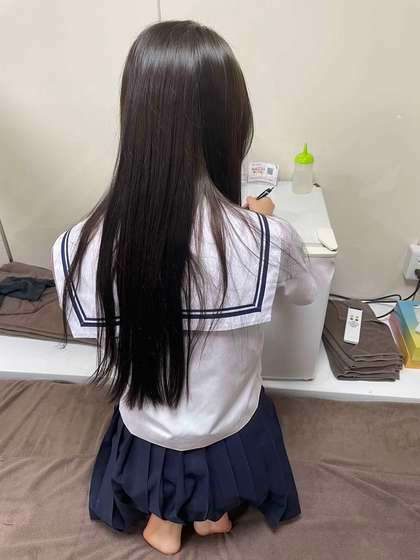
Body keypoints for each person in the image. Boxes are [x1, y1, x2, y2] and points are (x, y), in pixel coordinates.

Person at [51, 20, 317, 556]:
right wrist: (257, 225)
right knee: (237, 415)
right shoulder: (268, 239)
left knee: (163, 421)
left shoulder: (76, 248)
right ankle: (213, 511)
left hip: (147, 434)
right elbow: (306, 294)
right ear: (230, 123)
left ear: (134, 117)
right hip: (232, 430)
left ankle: (164, 521)